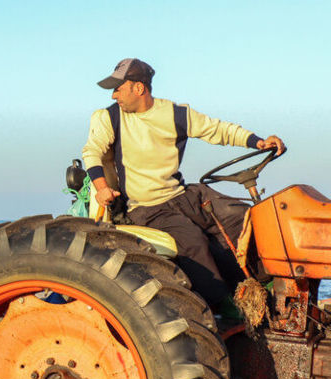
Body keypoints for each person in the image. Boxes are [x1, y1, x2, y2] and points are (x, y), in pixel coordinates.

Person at [82, 58, 285, 311]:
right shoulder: (109, 117)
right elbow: (92, 152)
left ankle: (266, 282)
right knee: (193, 242)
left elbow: (217, 130)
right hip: (146, 207)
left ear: (139, 88)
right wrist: (102, 188)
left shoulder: (175, 114)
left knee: (241, 217)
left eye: (118, 89)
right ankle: (223, 307)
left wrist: (258, 142)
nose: (114, 95)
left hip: (182, 194)